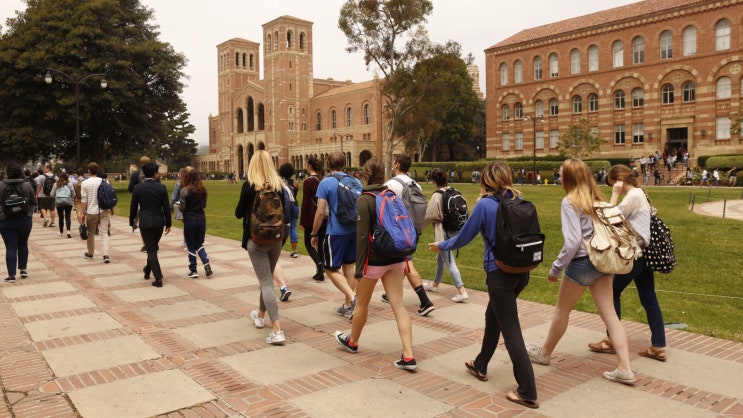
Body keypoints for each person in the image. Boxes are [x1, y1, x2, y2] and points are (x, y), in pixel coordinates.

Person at [428, 160, 538, 409]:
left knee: (511, 332)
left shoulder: (486, 204)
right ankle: (481, 364)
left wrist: (440, 246)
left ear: (485, 180)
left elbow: (464, 237)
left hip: (499, 274)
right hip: (522, 271)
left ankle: (527, 391)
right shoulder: (518, 200)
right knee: (493, 318)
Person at [526, 158, 635, 386]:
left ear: (569, 178)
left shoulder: (570, 202)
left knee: (562, 311)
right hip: (603, 261)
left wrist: (556, 268)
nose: (559, 177)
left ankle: (545, 353)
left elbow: (573, 242)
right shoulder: (598, 199)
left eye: (561, 173)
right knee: (610, 315)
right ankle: (624, 368)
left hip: (582, 263)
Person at [334, 157, 417, 370]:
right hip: (396, 256)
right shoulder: (391, 195)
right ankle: (408, 355)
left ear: (364, 174)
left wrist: (359, 269)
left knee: (362, 303)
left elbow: (361, 238)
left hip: (375, 260)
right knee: (398, 305)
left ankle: (353, 341)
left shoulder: (365, 199)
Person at [588, 164, 667, 362]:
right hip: (645, 253)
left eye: (612, 184)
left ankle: (612, 340)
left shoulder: (633, 196)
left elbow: (610, 218)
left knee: (611, 293)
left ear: (618, 180)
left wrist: (614, 195)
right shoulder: (641, 193)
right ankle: (658, 345)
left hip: (636, 254)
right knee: (649, 297)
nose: (612, 187)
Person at [235, 150, 288, 344]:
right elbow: (286, 214)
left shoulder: (249, 186)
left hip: (256, 240)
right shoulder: (279, 186)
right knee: (266, 278)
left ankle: (277, 330)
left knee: (266, 283)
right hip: (276, 238)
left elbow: (238, 213)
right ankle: (259, 315)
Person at [382, 154, 435, 316]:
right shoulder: (415, 185)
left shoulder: (390, 184)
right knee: (400, 262)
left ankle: (425, 301)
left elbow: (384, 209)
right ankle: (390, 292)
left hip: (398, 232)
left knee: (406, 264)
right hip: (413, 231)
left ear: (397, 165)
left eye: (393, 163)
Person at [310, 151, 358, 319]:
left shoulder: (326, 183)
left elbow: (320, 211)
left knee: (329, 268)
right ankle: (347, 305)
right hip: (354, 229)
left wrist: (314, 233)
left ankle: (352, 299)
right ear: (344, 164)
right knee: (348, 266)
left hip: (336, 231)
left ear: (328, 165)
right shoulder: (355, 181)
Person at [422, 169, 468, 302]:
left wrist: (419, 228)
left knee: (449, 261)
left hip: (444, 231)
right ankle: (435, 284)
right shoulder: (454, 191)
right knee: (440, 257)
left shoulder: (437, 195)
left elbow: (430, 215)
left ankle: (461, 291)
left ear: (434, 181)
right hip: (456, 230)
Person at [130, 162, 172, 288]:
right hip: (159, 222)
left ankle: (157, 277)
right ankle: (149, 271)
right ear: (155, 174)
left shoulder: (138, 188)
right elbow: (166, 207)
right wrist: (168, 223)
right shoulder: (161, 187)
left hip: (146, 222)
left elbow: (133, 207)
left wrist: (132, 221)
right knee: (153, 248)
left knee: (151, 249)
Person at [0, 163, 37, 283]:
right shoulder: (26, 185)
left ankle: (11, 275)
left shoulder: (0, 185)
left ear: (7, 173)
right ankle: (23, 269)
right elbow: (33, 202)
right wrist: (29, 215)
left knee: (10, 246)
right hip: (24, 219)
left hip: (5, 220)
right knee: (23, 244)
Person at [180, 168, 212, 279]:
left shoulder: (184, 191)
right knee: (200, 244)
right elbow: (204, 205)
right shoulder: (202, 190)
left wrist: (179, 206)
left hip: (189, 220)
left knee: (191, 245)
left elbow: (183, 207)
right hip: (201, 219)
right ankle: (206, 263)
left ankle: (193, 270)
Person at [80, 162, 112, 263]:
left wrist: (82, 213)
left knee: (91, 233)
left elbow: (84, 200)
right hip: (104, 210)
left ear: (89, 171)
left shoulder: (85, 183)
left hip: (91, 211)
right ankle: (106, 254)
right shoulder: (105, 181)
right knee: (104, 233)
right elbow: (110, 195)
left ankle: (90, 253)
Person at [300, 157, 326, 281]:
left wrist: (302, 220)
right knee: (320, 243)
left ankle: (319, 264)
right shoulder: (322, 180)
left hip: (312, 216)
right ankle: (320, 271)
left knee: (308, 242)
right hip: (324, 217)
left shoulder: (308, 182)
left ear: (310, 166)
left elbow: (305, 203)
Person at [129, 155, 153, 252]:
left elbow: (130, 188)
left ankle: (146, 244)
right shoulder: (153, 173)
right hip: (152, 199)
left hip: (141, 200)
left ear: (140, 163)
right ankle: (153, 242)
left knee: (143, 222)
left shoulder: (136, 174)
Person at [278, 163, 300, 258]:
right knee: (293, 227)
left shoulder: (279, 183)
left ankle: (277, 249)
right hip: (295, 205)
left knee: (281, 226)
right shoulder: (296, 183)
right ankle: (294, 251)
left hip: (284, 207)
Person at [50, 172, 75, 238]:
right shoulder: (70, 184)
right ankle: (68, 231)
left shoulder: (56, 184)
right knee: (68, 216)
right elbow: (74, 194)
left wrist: (56, 196)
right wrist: (71, 199)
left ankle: (61, 232)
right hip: (68, 203)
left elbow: (52, 194)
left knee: (61, 217)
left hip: (59, 203)